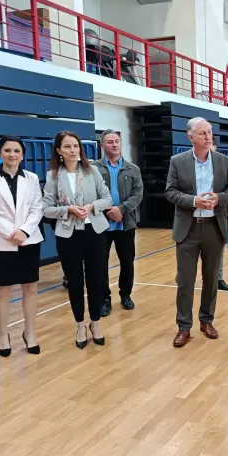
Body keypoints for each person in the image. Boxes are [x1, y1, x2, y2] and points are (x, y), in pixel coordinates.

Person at [164, 117, 228, 348]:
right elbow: (170, 192)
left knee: (211, 279)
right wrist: (193, 201)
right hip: (188, 228)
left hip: (214, 227)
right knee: (185, 281)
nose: (208, 137)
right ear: (191, 137)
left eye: (209, 132)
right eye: (202, 133)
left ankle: (207, 321)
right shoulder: (177, 162)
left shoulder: (224, 161)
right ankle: (183, 327)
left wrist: (219, 198)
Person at [42, 131, 113, 349]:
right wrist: (67, 209)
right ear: (59, 151)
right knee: (74, 281)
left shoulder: (92, 171)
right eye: (67, 146)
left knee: (96, 279)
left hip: (94, 232)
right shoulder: (53, 176)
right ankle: (80, 325)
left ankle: (95, 322)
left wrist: (92, 206)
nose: (73, 150)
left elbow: (107, 198)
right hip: (68, 234)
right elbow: (46, 208)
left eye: (75, 146)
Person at [0, 135, 44, 357]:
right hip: (0, 241)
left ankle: (30, 333)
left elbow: (37, 208)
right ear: (0, 153)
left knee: (30, 287)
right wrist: (11, 233)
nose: (12, 154)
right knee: (3, 289)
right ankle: (3, 335)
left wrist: (24, 231)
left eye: (16, 151)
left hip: (29, 239)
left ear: (22, 155)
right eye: (7, 150)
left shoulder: (32, 178)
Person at [92, 130, 144, 316]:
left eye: (117, 141)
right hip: (101, 224)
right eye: (110, 142)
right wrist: (108, 210)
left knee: (127, 261)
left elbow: (137, 194)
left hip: (125, 223)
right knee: (100, 263)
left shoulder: (133, 169)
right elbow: (90, 194)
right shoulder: (93, 169)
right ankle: (104, 299)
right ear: (102, 145)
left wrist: (120, 209)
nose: (114, 145)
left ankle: (126, 295)